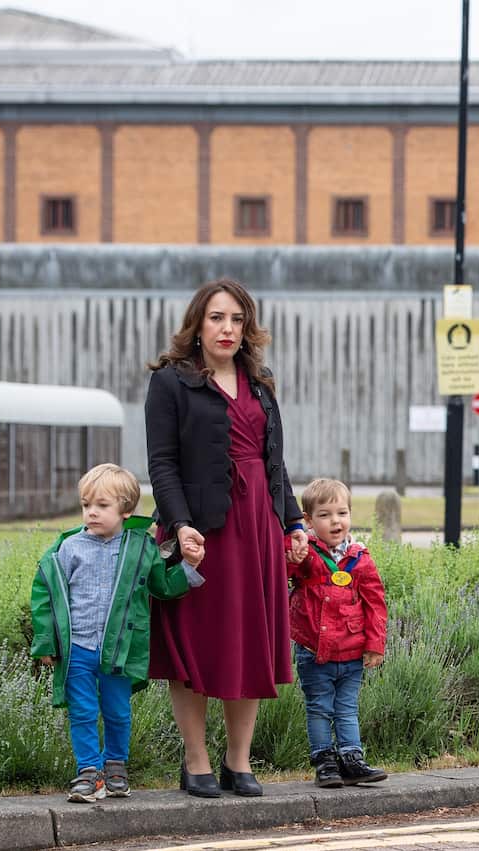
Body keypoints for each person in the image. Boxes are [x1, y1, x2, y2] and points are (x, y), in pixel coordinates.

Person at [144, 278, 309, 798]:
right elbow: (162, 463)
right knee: (193, 645)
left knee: (249, 642)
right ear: (198, 324)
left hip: (258, 527)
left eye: (237, 319)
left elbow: (274, 463)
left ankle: (239, 763)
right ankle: (196, 763)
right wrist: (180, 523)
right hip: (201, 532)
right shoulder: (170, 382)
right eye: (217, 318)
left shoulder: (260, 383)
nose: (227, 329)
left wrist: (295, 522)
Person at [30, 463, 201, 803]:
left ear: (126, 510)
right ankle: (89, 773)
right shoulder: (67, 548)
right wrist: (46, 642)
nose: (91, 513)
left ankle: (115, 765)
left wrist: (190, 567)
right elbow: (45, 594)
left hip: (119, 649)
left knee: (117, 710)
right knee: (81, 710)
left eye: (101, 506)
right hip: (77, 647)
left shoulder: (140, 548)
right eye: (86, 505)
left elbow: (163, 587)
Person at [286, 478, 388, 788]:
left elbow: (375, 603)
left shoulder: (360, 557)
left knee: (346, 707)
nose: (335, 521)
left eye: (342, 513)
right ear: (308, 521)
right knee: (319, 706)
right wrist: (293, 555)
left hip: (352, 650)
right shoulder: (307, 553)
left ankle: (351, 758)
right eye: (325, 515)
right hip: (315, 650)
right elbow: (285, 573)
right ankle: (324, 761)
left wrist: (375, 644)